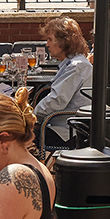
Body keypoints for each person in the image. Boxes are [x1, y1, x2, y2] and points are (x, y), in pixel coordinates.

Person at [32, 15, 92, 146]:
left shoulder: (76, 66)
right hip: (63, 125)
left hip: (68, 131)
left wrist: (32, 115)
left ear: (64, 41)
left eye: (50, 39)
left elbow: (57, 100)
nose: (47, 44)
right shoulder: (73, 63)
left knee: (15, 139)